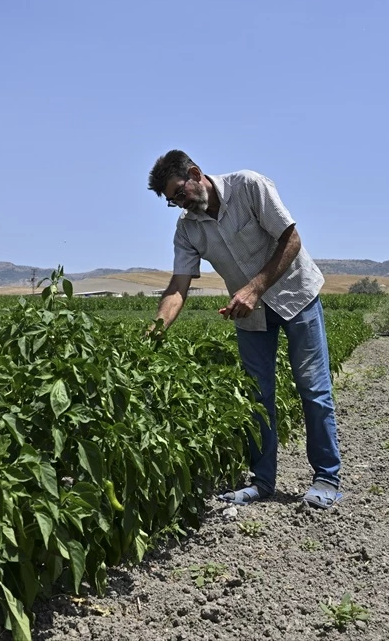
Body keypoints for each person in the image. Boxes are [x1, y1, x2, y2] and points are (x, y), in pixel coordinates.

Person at [146, 150, 343, 509]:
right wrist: (156, 329)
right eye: (171, 201)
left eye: (179, 193)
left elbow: (292, 240)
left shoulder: (249, 186)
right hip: (250, 316)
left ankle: (326, 478)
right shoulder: (188, 228)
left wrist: (254, 289)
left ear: (195, 173)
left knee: (313, 389)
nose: (179, 204)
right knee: (257, 397)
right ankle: (263, 482)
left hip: (296, 296)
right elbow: (178, 286)